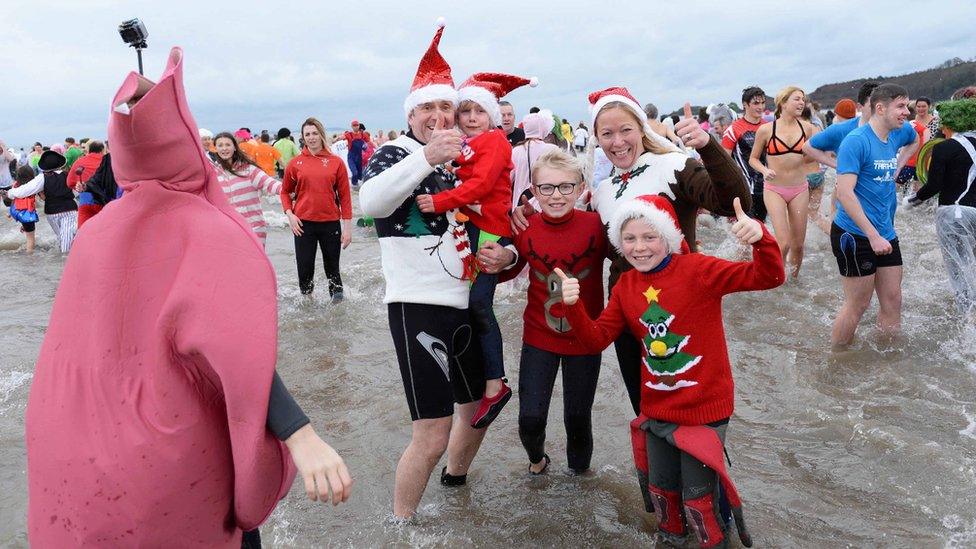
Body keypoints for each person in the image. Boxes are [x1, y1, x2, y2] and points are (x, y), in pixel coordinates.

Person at [25, 47, 352, 548]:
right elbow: (238, 353)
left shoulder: (95, 234)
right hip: (173, 461)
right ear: (188, 146)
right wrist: (300, 434)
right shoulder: (207, 230)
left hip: (74, 451)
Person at [557, 193, 782, 548]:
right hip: (657, 412)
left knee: (699, 504)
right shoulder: (626, 286)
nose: (639, 247)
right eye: (629, 238)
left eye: (650, 237)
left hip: (703, 411)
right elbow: (595, 339)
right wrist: (572, 307)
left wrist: (761, 239)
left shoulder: (699, 269)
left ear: (669, 237)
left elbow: (768, 277)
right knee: (663, 499)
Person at [357, 20, 487, 518]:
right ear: (412, 114)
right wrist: (427, 156)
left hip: (466, 304)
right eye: (427, 108)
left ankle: (456, 485)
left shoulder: (463, 161)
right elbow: (369, 202)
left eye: (445, 107)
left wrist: (507, 255)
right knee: (430, 433)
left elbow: (480, 229)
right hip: (418, 306)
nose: (437, 115)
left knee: (476, 410)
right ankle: (401, 525)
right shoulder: (395, 153)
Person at [415, 71, 535, 429]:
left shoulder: (496, 142)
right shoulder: (464, 144)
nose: (470, 117)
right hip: (473, 227)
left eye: (478, 112)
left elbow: (481, 185)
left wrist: (438, 202)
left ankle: (495, 385)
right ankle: (481, 381)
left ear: (492, 116)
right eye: (464, 111)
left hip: (492, 233)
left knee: (480, 303)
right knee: (471, 304)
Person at [486, 150, 607, 475]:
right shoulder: (525, 228)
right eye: (547, 188)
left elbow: (636, 256)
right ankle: (538, 461)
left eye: (566, 187)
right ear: (534, 191)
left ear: (581, 187)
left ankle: (580, 483)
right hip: (539, 337)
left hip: (585, 338)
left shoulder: (598, 225)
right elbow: (508, 269)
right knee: (530, 419)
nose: (557, 195)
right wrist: (497, 259)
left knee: (578, 418)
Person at [830, 84, 918, 346]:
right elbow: (845, 193)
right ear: (880, 108)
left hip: (885, 232)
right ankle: (837, 361)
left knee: (893, 301)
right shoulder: (856, 142)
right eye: (900, 106)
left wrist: (899, 164)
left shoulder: (898, 134)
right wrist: (872, 235)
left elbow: (914, 140)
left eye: (907, 105)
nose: (907, 112)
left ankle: (886, 361)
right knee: (858, 305)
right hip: (854, 234)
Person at [904, 95, 976, 318]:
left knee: (958, 267)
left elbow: (933, 185)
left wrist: (910, 202)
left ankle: (967, 317)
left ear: (949, 124)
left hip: (953, 214)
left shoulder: (945, 148)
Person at [749, 86, 820, 278]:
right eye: (797, 99)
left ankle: (793, 281)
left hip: (799, 189)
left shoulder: (807, 128)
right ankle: (775, 279)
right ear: (783, 102)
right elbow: (753, 159)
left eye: (803, 100)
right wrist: (764, 170)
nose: (801, 103)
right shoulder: (766, 130)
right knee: (784, 243)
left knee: (798, 244)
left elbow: (812, 157)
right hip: (774, 190)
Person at [281, 117, 352, 301]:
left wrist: (348, 228)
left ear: (321, 135)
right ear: (302, 137)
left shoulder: (336, 162)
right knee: (305, 269)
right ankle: (308, 309)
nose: (311, 138)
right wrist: (290, 214)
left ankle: (337, 311)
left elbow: (345, 197)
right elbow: (285, 192)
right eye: (307, 134)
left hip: (330, 223)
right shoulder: (295, 163)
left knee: (333, 269)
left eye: (314, 133)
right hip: (303, 224)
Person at [213, 131, 282, 248]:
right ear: (216, 149)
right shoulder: (213, 174)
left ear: (235, 147)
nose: (224, 148)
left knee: (257, 265)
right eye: (220, 145)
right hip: (228, 230)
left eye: (228, 145)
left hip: (254, 228)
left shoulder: (249, 170)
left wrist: (292, 190)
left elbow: (271, 184)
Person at [7, 150, 78, 253]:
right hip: (69, 210)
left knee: (63, 241)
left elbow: (25, 190)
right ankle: (65, 262)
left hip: (51, 212)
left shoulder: (42, 177)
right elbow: (77, 192)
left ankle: (64, 262)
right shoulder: (68, 175)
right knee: (65, 242)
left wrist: (10, 193)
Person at [722, 86, 768, 221]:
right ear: (745, 105)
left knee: (762, 228)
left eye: (762, 103)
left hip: (766, 187)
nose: (760, 107)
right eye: (756, 103)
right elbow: (724, 161)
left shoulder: (768, 127)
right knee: (748, 232)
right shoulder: (733, 129)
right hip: (744, 189)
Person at [511, 110, 560, 209]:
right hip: (545, 203)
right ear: (542, 128)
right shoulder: (552, 149)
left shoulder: (516, 150)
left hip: (519, 205)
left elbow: (508, 179)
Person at [74, 150, 122, 228]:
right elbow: (97, 179)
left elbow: (69, 182)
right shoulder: (108, 159)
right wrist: (85, 186)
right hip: (112, 206)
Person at [895, 98, 932, 193]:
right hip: (919, 161)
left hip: (911, 162)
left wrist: (924, 146)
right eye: (918, 107)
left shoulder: (912, 124)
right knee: (916, 188)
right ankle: (912, 204)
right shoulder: (913, 123)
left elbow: (926, 131)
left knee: (897, 185)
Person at [4, 166, 39, 252]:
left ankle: (24, 225)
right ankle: (30, 256)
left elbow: (13, 199)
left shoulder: (15, 185)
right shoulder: (33, 186)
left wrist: (10, 213)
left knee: (26, 222)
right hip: (26, 214)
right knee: (30, 238)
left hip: (16, 211)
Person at [344, 120, 372, 186]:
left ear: (359, 126)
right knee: (354, 172)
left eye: (357, 125)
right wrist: (336, 139)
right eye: (354, 125)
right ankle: (354, 185)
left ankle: (358, 187)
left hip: (359, 157)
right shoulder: (349, 134)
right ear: (352, 126)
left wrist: (367, 146)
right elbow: (342, 137)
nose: (356, 127)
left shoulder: (362, 135)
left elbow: (369, 142)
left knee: (360, 175)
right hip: (351, 157)